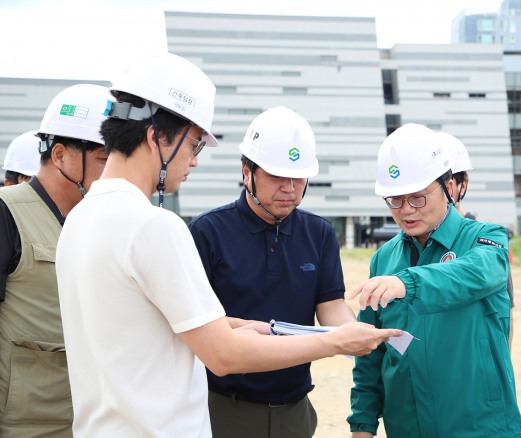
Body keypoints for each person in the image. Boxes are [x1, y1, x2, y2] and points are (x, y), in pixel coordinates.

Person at [54, 53, 402, 438]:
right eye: (194, 146)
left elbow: (155, 325)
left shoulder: (79, 219)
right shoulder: (155, 226)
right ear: (156, 137)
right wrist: (337, 342)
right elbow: (224, 355)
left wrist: (238, 326)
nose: (194, 162)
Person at [346, 123, 521, 438]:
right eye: (395, 200)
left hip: (480, 428)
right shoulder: (384, 259)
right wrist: (362, 424)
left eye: (417, 198)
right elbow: (371, 355)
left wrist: (407, 283)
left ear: (447, 186)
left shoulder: (486, 239)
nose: (406, 211)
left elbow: (478, 272)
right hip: (407, 427)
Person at [188, 106, 358, 438]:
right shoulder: (207, 232)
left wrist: (358, 335)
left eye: (298, 177)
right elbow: (194, 322)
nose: (290, 188)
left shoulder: (319, 233)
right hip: (222, 408)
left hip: (296, 410)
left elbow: (331, 307)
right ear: (246, 171)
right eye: (278, 176)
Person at [0, 83, 111, 437]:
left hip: (86, 420)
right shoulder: (8, 213)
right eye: (103, 159)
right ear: (60, 155)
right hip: (25, 423)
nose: (112, 172)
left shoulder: (100, 221)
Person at [436, 131, 516, 350]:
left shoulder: (486, 240)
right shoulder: (402, 246)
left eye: (445, 181)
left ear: (461, 184)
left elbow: (505, 314)